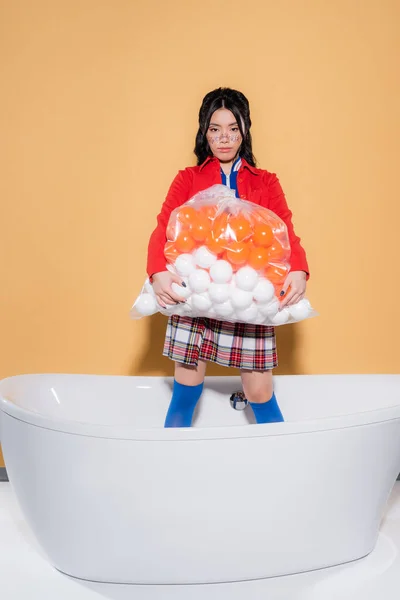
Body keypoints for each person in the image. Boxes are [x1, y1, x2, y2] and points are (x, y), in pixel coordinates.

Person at [146, 88, 309, 428]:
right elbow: (165, 225)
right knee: (186, 388)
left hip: (249, 295)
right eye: (215, 129)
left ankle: (286, 468)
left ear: (245, 129)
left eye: (233, 128)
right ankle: (167, 467)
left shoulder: (266, 181)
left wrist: (299, 269)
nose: (224, 138)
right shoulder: (188, 179)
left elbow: (285, 229)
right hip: (197, 292)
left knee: (260, 392)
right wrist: (157, 272)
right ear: (204, 132)